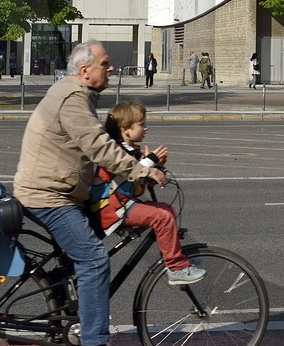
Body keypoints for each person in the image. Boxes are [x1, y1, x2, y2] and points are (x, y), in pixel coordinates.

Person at [13, 40, 158, 346]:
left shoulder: (77, 94)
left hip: (60, 190)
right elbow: (98, 146)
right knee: (93, 260)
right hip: (48, 195)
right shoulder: (73, 99)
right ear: (85, 71)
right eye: (105, 64)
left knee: (83, 253)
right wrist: (140, 171)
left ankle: (58, 292)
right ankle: (93, 344)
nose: (111, 68)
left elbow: (96, 147)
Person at [88, 100, 205, 286]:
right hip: (111, 209)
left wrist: (154, 171)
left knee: (166, 209)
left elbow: (132, 179)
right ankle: (176, 268)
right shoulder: (116, 150)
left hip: (123, 204)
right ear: (125, 129)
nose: (146, 128)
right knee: (162, 217)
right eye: (141, 124)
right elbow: (128, 171)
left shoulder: (129, 150)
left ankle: (172, 255)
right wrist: (150, 162)